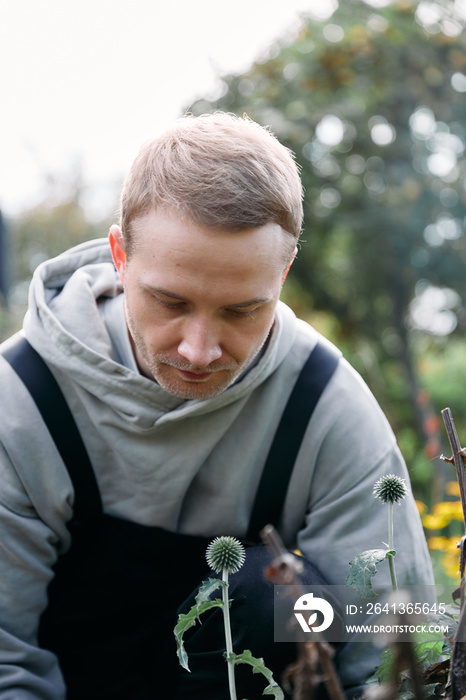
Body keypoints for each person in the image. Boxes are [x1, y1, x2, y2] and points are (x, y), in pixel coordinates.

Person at [0, 112, 434, 699]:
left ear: (282, 274)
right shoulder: (20, 400)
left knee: (279, 594)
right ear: (120, 255)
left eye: (240, 310)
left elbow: (386, 646)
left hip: (244, 682)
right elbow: (6, 659)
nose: (198, 350)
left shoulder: (325, 402)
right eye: (170, 301)